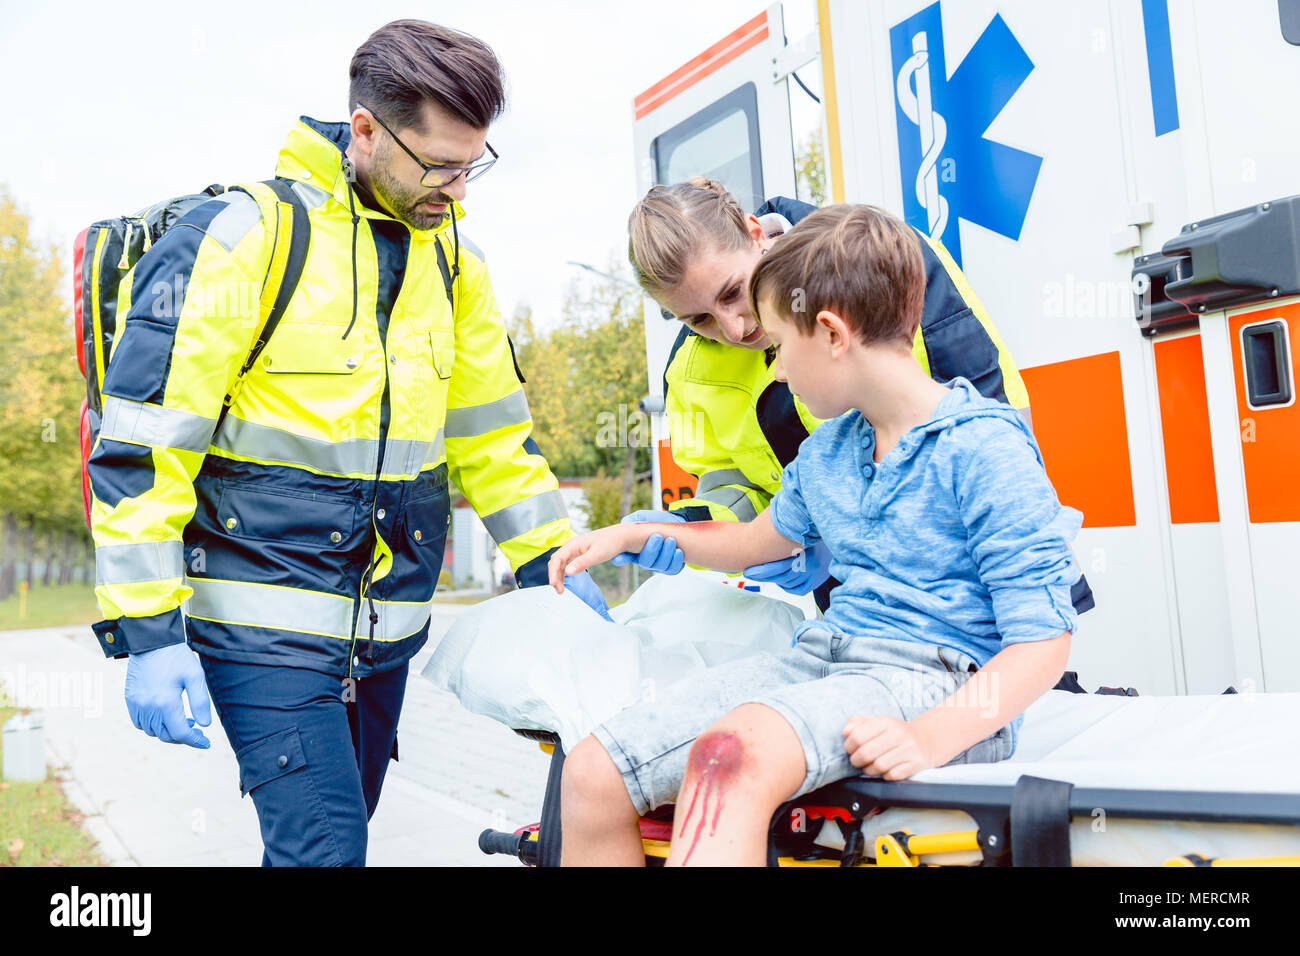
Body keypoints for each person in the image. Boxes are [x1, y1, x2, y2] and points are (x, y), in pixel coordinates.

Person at [86, 19, 608, 866]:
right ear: (365, 130)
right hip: (258, 626)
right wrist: (148, 633)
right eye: (440, 164)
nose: (460, 189)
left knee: (334, 843)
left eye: (474, 163)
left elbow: (491, 438)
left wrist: (551, 556)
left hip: (382, 636)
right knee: (325, 853)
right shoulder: (244, 239)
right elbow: (148, 444)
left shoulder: (455, 267)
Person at [551, 204, 1081, 866]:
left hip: (940, 679)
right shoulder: (828, 455)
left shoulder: (986, 451)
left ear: (830, 333)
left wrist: (928, 739)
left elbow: (1043, 645)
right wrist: (638, 539)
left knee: (729, 755)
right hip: (828, 657)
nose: (772, 369)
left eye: (779, 346)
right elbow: (752, 543)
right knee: (592, 769)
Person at [617, 180, 1091, 619]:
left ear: (753, 231)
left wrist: (855, 540)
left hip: (981, 565)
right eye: (698, 319)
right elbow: (731, 489)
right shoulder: (690, 374)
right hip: (862, 602)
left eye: (734, 293)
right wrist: (689, 528)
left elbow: (990, 421)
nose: (736, 329)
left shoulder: (879, 264)